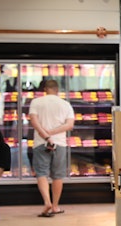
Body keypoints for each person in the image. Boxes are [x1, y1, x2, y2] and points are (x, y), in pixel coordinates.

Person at [28, 79, 75, 218]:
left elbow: (34, 122)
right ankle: (55, 206)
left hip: (40, 142)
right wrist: (53, 133)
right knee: (58, 175)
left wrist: (45, 135)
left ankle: (46, 202)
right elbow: (69, 125)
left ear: (45, 89)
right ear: (57, 90)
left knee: (41, 173)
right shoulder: (65, 104)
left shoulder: (36, 102)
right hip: (59, 143)